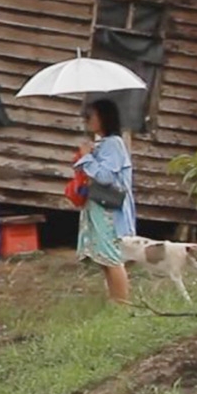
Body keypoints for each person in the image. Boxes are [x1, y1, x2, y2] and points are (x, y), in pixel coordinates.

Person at [76, 99, 137, 303]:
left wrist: (86, 157)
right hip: (99, 207)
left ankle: (122, 304)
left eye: (91, 117)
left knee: (112, 257)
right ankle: (115, 300)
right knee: (104, 257)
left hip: (109, 210)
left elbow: (105, 177)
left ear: (104, 117)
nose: (88, 121)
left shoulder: (114, 144)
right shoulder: (104, 144)